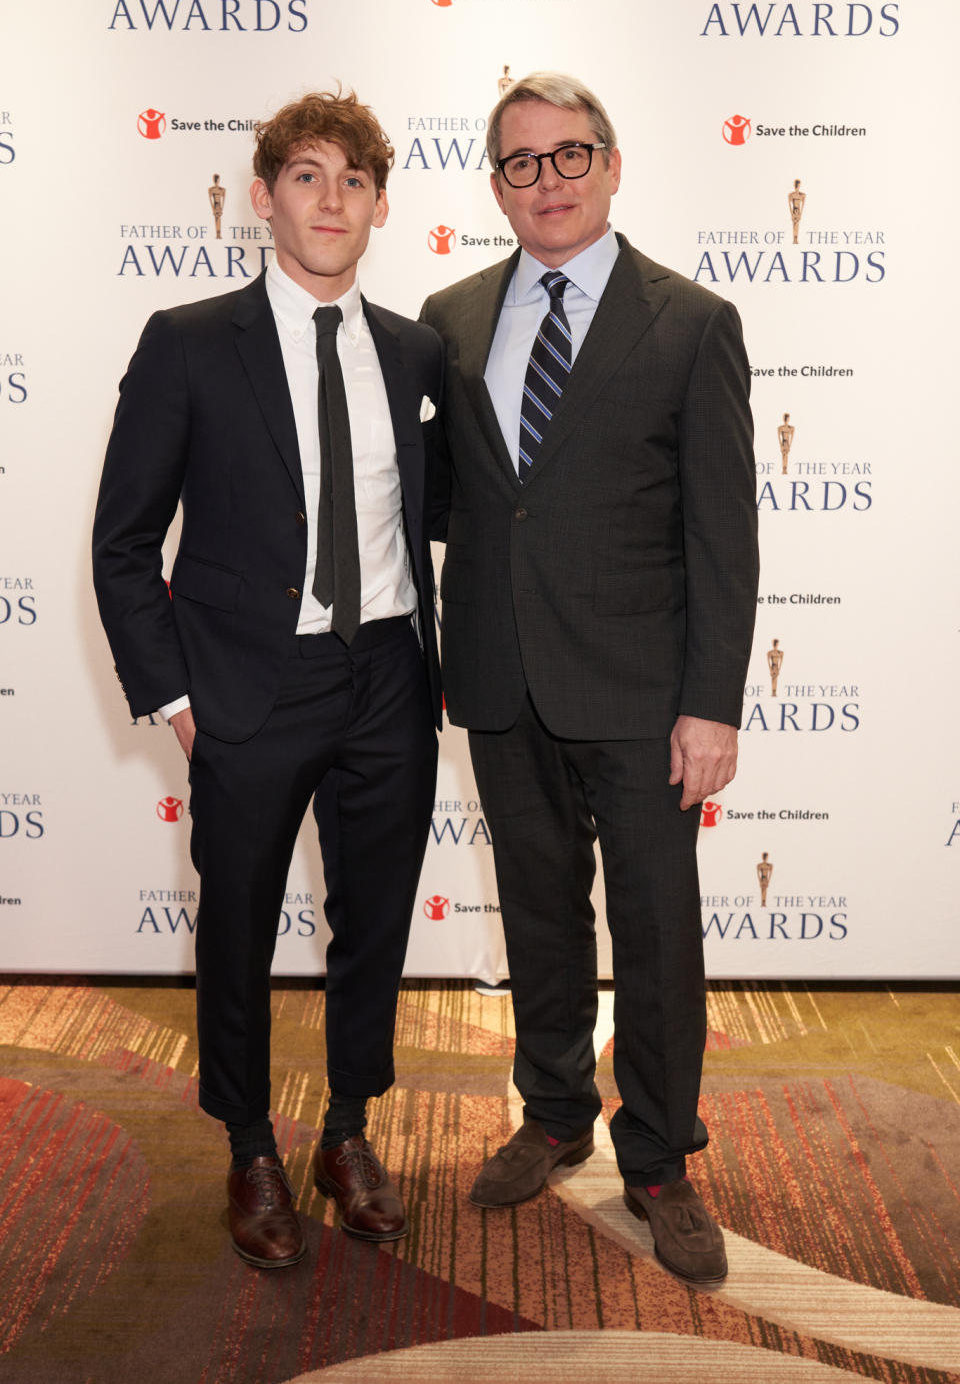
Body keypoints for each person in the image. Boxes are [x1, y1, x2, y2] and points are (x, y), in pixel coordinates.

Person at [93, 89, 443, 1269]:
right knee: (237, 926)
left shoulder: (414, 350)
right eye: (306, 174)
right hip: (247, 687)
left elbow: (435, 514)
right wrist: (179, 699)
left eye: (353, 179)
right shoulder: (188, 342)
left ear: (381, 205)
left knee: (374, 921)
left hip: (388, 674)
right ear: (263, 196)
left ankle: (348, 1131)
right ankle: (249, 1141)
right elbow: (123, 541)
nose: (330, 197)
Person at [421, 73, 758, 1286]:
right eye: (523, 162)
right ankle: (556, 1110)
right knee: (539, 915)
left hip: (644, 694)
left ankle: (660, 1157)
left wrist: (713, 700)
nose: (549, 180)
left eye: (572, 155)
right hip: (504, 685)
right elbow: (442, 502)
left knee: (659, 933)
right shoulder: (449, 317)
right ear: (498, 186)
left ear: (613, 166)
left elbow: (725, 529)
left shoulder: (692, 319)